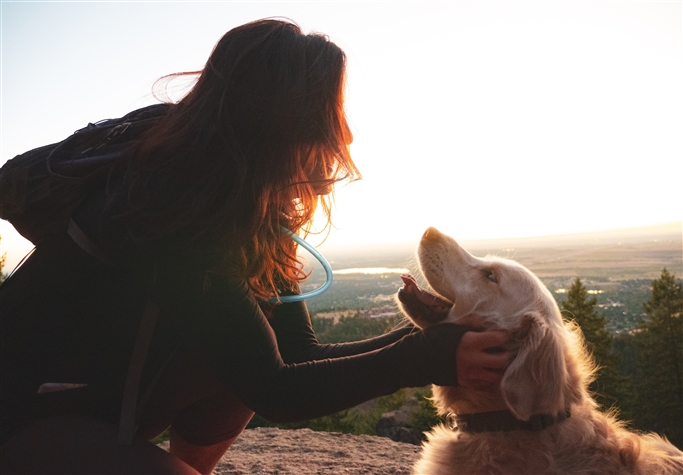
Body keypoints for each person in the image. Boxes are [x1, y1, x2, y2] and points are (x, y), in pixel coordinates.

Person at [0, 19, 510, 475]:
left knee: (242, 371)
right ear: (278, 122)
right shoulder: (165, 209)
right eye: (327, 116)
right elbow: (278, 392)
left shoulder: (251, 211)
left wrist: (435, 336)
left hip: (101, 405)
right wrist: (427, 356)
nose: (345, 136)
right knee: (251, 378)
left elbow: (299, 357)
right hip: (24, 415)